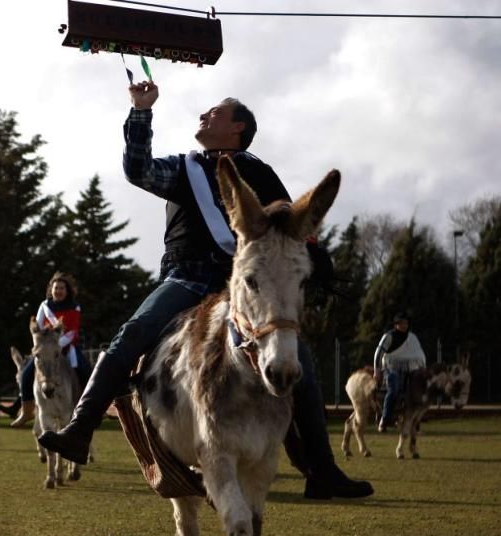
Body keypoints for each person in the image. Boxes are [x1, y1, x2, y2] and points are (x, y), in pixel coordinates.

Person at [38, 81, 373, 500]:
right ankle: (79, 430)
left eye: (215, 113)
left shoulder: (259, 172)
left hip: (240, 285)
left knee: (298, 359)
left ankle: (321, 470)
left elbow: (287, 229)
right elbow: (138, 170)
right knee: (133, 334)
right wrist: (141, 111)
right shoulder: (185, 168)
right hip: (186, 277)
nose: (203, 116)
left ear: (238, 129)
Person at [11, 272, 93, 427]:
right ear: (51, 289)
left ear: (67, 290)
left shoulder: (74, 307)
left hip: (67, 347)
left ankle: (91, 408)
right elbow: (39, 328)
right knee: (26, 375)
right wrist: (45, 347)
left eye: (62, 288)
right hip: (45, 347)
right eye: (56, 288)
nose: (59, 291)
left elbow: (72, 332)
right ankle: (26, 410)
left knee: (86, 372)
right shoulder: (45, 306)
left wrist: (56, 345)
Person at [373, 312, 426, 432]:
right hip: (391, 368)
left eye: (406, 323)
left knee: (418, 390)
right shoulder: (389, 336)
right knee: (394, 389)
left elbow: (419, 354)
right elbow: (378, 353)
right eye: (401, 323)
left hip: (410, 369)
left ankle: (414, 421)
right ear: (396, 324)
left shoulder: (412, 338)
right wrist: (377, 371)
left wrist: (423, 368)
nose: (404, 325)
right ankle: (385, 419)